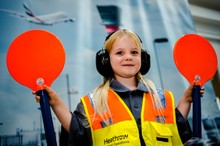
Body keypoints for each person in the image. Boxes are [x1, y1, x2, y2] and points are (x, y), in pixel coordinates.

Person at [34, 29, 204, 146]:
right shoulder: (93, 103)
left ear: (143, 58)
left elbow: (177, 129)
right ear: (106, 60)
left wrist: (187, 100)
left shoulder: (161, 98)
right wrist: (55, 102)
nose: (128, 57)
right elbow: (77, 132)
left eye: (134, 52)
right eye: (120, 53)